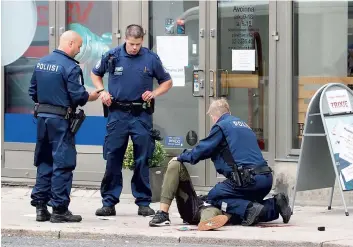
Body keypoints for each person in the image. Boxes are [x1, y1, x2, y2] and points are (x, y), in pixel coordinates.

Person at [150, 98, 291, 227]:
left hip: (248, 180)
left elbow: (202, 149)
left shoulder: (221, 126)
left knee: (214, 196)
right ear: (228, 112)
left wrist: (181, 157)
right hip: (265, 179)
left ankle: (248, 209)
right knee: (247, 209)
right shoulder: (244, 126)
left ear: (213, 116)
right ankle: (275, 205)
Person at [90, 24, 173, 217]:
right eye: (131, 43)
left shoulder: (150, 58)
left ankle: (143, 202)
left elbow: (167, 82)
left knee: (142, 158)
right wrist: (102, 92)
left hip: (141, 114)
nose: (134, 47)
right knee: (113, 157)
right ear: (125, 39)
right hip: (117, 113)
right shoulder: (112, 55)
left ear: (142, 40)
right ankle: (109, 202)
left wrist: (154, 93)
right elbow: (95, 74)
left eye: (138, 44)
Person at [28, 30, 101, 223]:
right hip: (60, 121)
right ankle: (59, 209)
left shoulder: (42, 62)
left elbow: (32, 91)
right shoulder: (71, 67)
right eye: (78, 45)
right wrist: (90, 96)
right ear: (69, 43)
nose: (79, 50)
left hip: (42, 119)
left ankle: (41, 208)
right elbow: (78, 96)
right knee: (63, 163)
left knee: (44, 161)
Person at [149, 158, 230, 231]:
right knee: (175, 164)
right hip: (196, 203)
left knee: (210, 211)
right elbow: (202, 149)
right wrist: (182, 157)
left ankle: (207, 223)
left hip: (218, 209)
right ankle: (163, 214)